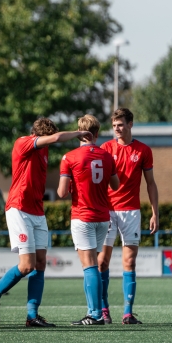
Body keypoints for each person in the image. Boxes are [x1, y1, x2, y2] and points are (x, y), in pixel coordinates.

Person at [0, 118, 92, 327]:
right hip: (19, 208)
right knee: (26, 265)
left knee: (40, 264)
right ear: (41, 135)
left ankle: (32, 316)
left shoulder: (44, 151)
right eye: (48, 138)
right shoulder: (23, 142)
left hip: (37, 211)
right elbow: (58, 137)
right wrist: (78, 134)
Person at [58, 115, 119, 326]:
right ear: (97, 133)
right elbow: (116, 186)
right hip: (103, 217)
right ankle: (94, 310)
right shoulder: (107, 156)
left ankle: (95, 314)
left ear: (79, 131)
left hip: (83, 216)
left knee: (89, 266)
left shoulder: (69, 157)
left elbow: (61, 192)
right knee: (93, 265)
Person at [98, 108, 158, 325]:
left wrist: (154, 212)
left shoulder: (143, 150)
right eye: (114, 125)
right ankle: (104, 311)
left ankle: (127, 313)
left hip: (131, 212)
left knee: (129, 262)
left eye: (120, 125)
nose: (117, 129)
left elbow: (150, 183)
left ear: (130, 124)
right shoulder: (105, 148)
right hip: (108, 211)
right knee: (102, 262)